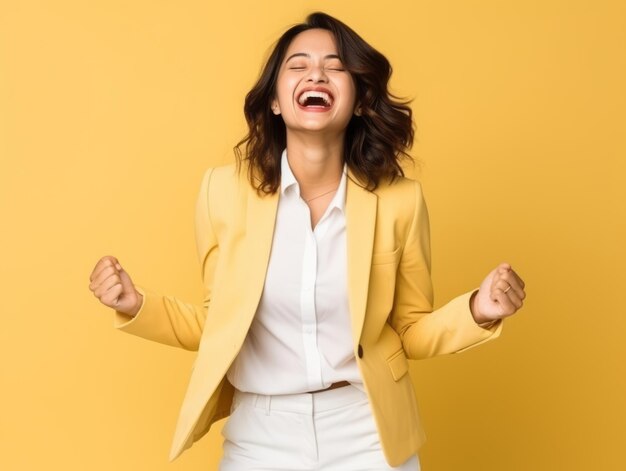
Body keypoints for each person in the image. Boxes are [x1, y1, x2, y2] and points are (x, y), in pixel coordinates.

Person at [88, 12, 526, 471]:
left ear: (358, 100)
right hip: (261, 432)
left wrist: (478, 310)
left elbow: (409, 329)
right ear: (275, 101)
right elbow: (219, 323)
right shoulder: (222, 192)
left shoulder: (400, 201)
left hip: (368, 429)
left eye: (334, 66)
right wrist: (136, 304)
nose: (315, 74)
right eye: (297, 66)